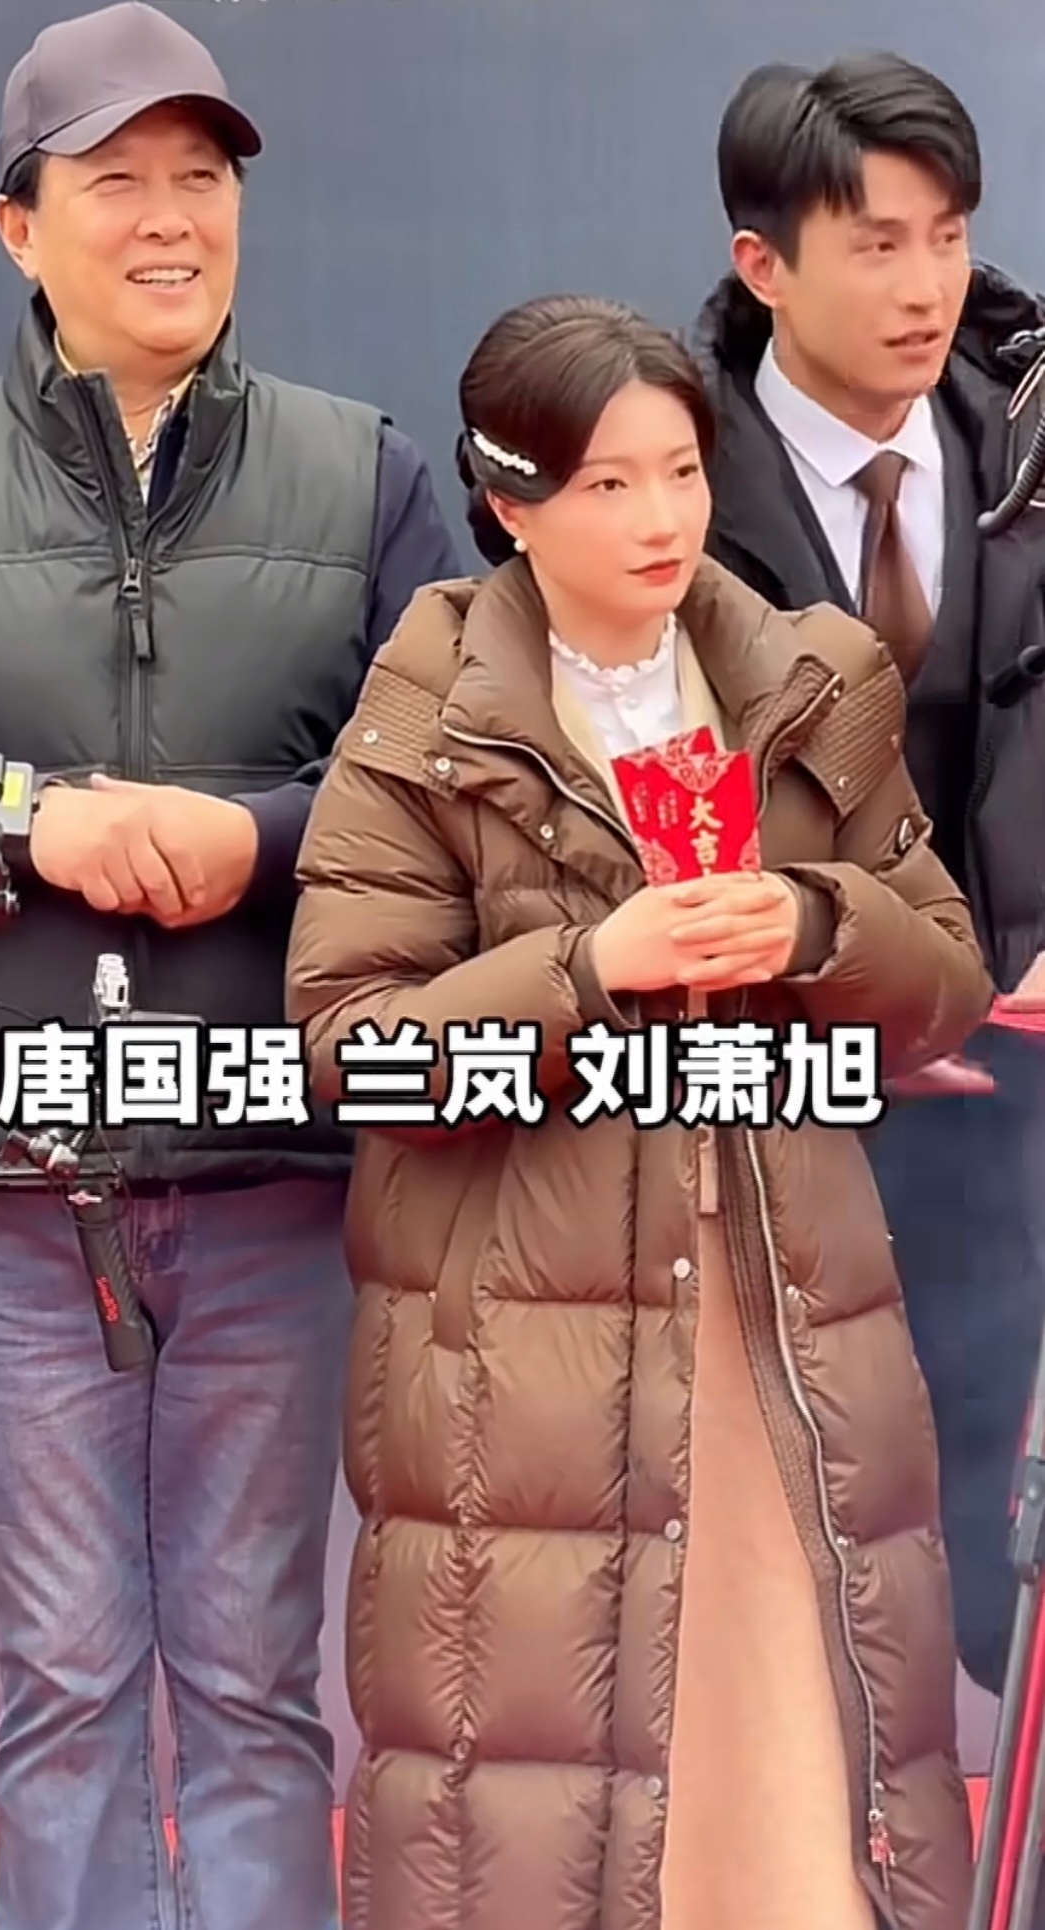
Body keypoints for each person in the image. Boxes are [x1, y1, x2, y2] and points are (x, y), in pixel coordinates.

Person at [285, 293, 993, 1930]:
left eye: (681, 470)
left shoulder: (809, 679)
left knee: (801, 1749)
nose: (661, 517)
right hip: (527, 1343)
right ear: (509, 500)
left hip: (784, 1311)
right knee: (543, 1793)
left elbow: (945, 974)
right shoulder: (432, 711)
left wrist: (813, 922)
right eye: (608, 484)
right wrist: (590, 965)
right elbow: (354, 1044)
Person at [0, 5, 460, 1928]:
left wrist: (259, 840)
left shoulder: (365, 477)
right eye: (116, 179)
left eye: (201, 177)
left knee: (258, 1687)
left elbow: (449, 784)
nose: (169, 218)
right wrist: (18, 816)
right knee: (60, 1692)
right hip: (4, 1179)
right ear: (18, 226)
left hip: (276, 1161)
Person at [693, 46, 1045, 1795]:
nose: (928, 289)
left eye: (950, 239)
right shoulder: (653, 472)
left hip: (1025, 1103)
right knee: (783, 1592)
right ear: (763, 263)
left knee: (1002, 1568)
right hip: (767, 1103)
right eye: (877, 245)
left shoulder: (1033, 438)